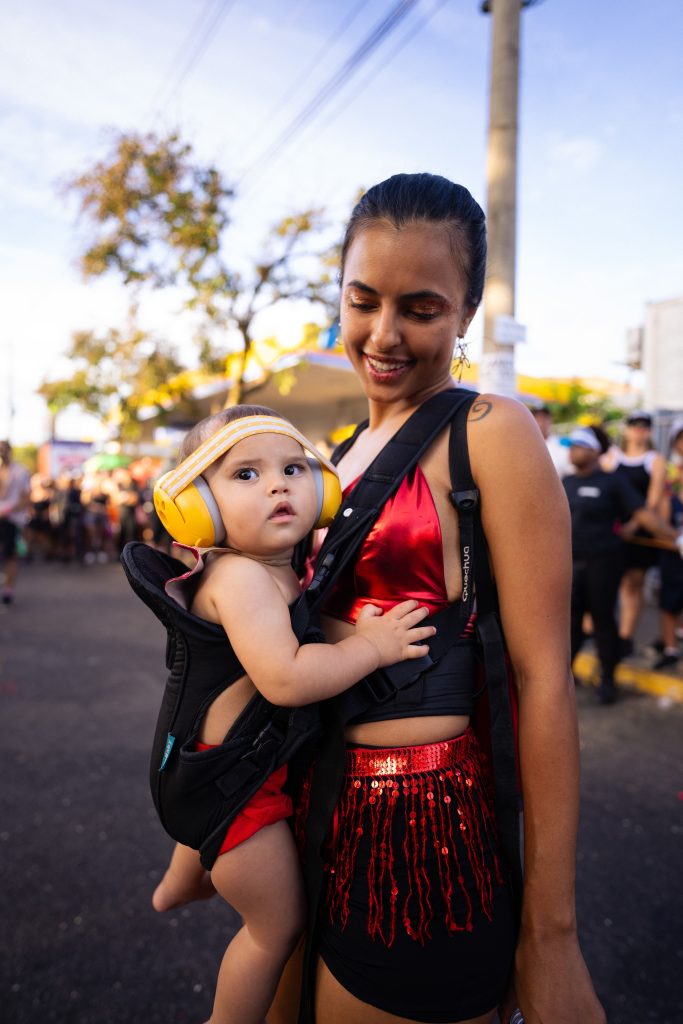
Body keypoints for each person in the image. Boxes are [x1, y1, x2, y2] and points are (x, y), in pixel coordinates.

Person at [268, 173, 606, 1024]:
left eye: (420, 308)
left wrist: (551, 935)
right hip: (314, 813)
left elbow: (542, 681)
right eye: (362, 300)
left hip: (421, 848)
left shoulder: (490, 431)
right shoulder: (335, 455)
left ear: (462, 316)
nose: (383, 334)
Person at [135, 405, 436, 1024]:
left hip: (210, 771)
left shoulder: (279, 572)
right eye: (245, 474)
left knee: (213, 842)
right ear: (198, 506)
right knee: (276, 927)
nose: (277, 484)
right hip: (230, 791)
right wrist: (371, 648)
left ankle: (183, 881)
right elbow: (288, 676)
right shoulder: (242, 579)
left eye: (294, 468)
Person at [561, 425, 674, 704]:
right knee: (571, 623)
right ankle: (566, 680)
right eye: (571, 445)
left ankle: (608, 680)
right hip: (572, 563)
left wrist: (675, 538)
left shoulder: (613, 482)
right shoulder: (566, 483)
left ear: (594, 451)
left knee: (603, 620)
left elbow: (642, 514)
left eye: (578, 445)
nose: (572, 451)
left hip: (605, 561)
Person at [602, 410, 667, 657]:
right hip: (613, 532)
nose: (639, 430)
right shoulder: (612, 457)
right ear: (627, 429)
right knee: (609, 583)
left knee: (632, 584)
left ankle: (625, 637)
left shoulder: (655, 459)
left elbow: (652, 501)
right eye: (635, 425)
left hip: (638, 533)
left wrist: (634, 526)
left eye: (644, 426)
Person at [653, 420, 683, 669]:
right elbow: (662, 512)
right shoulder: (669, 470)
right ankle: (670, 645)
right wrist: (674, 536)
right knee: (669, 596)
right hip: (673, 547)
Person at [0, 440, 31, 604]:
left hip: (10, 520)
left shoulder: (20, 471)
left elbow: (26, 498)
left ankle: (8, 591)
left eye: (3, 450)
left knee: (9, 556)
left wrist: (7, 510)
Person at [529, 401, 572, 477]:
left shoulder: (562, 443)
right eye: (537, 418)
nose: (541, 423)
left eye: (544, 418)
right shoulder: (524, 445)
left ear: (550, 420)